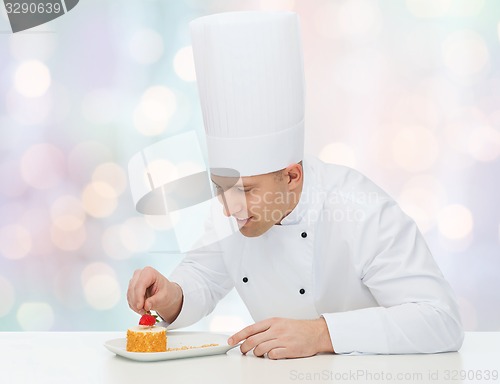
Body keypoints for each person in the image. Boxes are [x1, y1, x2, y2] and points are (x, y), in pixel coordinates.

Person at [127, 11, 464, 358]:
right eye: (219, 188)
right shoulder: (231, 209)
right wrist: (171, 296)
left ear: (291, 176)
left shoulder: (360, 210)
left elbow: (440, 320)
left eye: (246, 190)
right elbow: (203, 274)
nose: (229, 208)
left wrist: (321, 335)